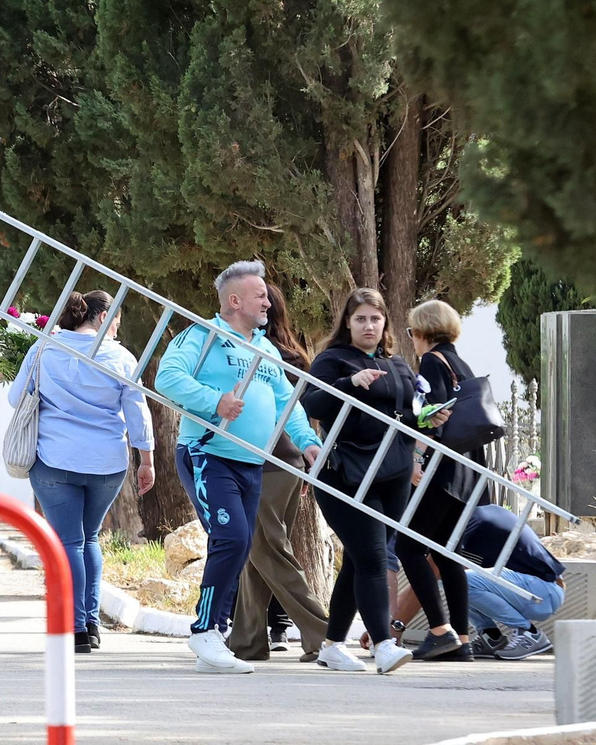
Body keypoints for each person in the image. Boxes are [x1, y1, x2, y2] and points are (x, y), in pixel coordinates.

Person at [156, 260, 321, 674]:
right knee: (232, 537)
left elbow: (286, 402)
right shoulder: (203, 335)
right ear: (234, 301)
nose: (268, 300)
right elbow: (166, 377)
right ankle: (206, 629)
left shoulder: (264, 348)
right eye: (259, 294)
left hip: (252, 462)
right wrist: (215, 401)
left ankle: (217, 633)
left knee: (242, 543)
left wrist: (308, 442)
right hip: (209, 453)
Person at [12, 290, 154, 655]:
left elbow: (16, 398)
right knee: (89, 538)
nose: (117, 328)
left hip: (54, 459)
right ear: (103, 316)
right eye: (117, 320)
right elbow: (137, 410)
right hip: (107, 463)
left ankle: (75, 628)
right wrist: (147, 460)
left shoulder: (45, 348)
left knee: (70, 542)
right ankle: (91, 624)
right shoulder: (121, 356)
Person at [302, 287, 422, 674]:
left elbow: (408, 415)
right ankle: (384, 644)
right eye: (361, 319)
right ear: (347, 323)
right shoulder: (333, 360)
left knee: (358, 561)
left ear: (385, 322)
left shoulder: (398, 364)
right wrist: (350, 384)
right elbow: (311, 403)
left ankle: (333, 645)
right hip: (345, 473)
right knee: (371, 557)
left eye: (375, 318)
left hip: (394, 474)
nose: (369, 326)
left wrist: (429, 419)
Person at [226, 284, 332, 664]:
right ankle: (248, 640)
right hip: (287, 464)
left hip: (264, 463)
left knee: (268, 552)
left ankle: (323, 634)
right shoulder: (293, 355)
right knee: (258, 554)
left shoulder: (251, 354)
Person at [396, 299, 483, 661]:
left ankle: (439, 630)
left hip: (442, 470)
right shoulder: (460, 363)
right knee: (448, 556)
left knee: (409, 546)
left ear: (423, 331)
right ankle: (461, 640)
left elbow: (432, 415)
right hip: (467, 470)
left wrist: (415, 458)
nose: (412, 338)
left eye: (412, 331)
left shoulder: (432, 362)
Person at [460, 504, 564, 660]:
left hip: (542, 590)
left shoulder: (472, 524)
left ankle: (528, 633)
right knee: (451, 580)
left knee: (460, 581)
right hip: (544, 588)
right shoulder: (485, 513)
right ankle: (491, 637)